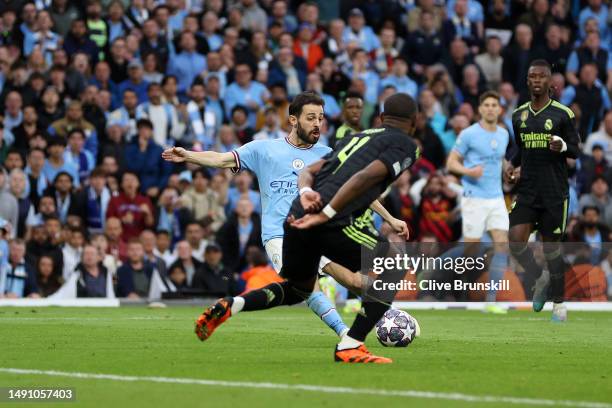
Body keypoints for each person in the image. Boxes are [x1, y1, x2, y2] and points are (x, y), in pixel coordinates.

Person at [192, 93, 419, 364]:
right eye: (311, 117)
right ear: (293, 119)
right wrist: (188, 155)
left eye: (321, 118)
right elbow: (220, 159)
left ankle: (234, 304)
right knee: (319, 288)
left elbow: (356, 189)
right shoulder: (263, 149)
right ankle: (349, 337)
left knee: (333, 285)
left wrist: (390, 217)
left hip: (309, 229)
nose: (317, 124)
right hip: (280, 234)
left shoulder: (326, 152)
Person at [506, 60, 581, 322]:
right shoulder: (519, 115)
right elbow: (520, 149)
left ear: (550, 82)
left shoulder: (563, 114)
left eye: (542, 76)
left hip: (554, 192)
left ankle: (559, 304)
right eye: (532, 76)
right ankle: (540, 280)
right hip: (527, 190)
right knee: (515, 240)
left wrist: (563, 146)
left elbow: (576, 149)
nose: (537, 80)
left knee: (552, 250)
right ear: (527, 81)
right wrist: (511, 165)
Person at [446, 91, 510, 313]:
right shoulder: (469, 134)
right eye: (487, 105)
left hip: (496, 197)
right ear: (480, 109)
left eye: (495, 104)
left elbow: (500, 160)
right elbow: (451, 163)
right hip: (474, 197)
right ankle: (439, 272)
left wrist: (509, 170)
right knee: (471, 250)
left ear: (500, 110)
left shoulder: (504, 134)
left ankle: (490, 301)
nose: (491, 108)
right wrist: (468, 171)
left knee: (502, 245)